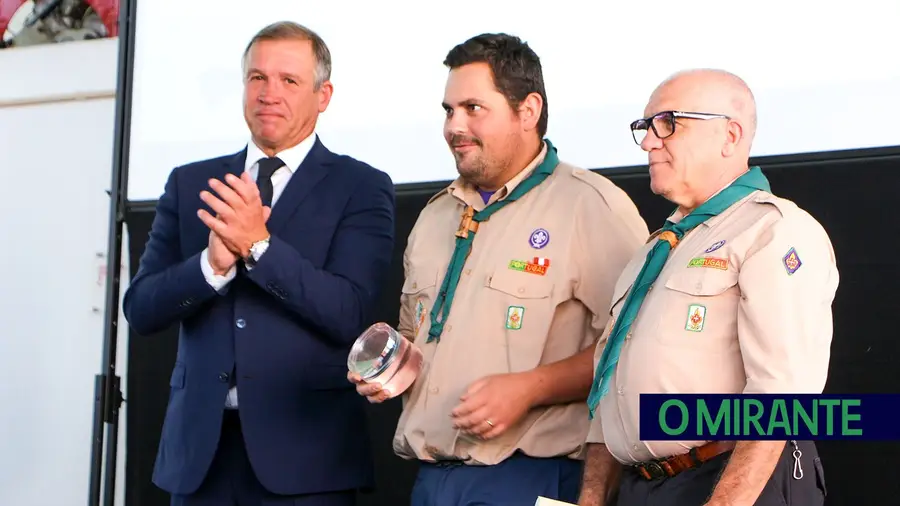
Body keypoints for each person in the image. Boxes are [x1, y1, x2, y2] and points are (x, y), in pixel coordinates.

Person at [349, 33, 649, 505]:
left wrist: (531, 388)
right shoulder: (435, 216)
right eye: (448, 110)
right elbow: (418, 330)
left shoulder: (591, 207)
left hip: (535, 476)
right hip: (432, 480)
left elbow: (633, 352)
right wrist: (392, 363)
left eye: (473, 108)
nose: (454, 126)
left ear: (527, 111)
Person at [123, 21, 395, 506]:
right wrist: (210, 267)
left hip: (307, 463)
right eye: (257, 78)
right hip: (199, 460)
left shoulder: (360, 186)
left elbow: (348, 312)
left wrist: (259, 247)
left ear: (323, 95)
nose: (269, 93)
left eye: (289, 80)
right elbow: (141, 308)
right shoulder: (190, 183)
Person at [577, 69, 838, 506]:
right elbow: (611, 392)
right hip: (642, 488)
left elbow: (782, 397)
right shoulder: (654, 251)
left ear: (729, 136)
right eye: (645, 127)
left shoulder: (775, 230)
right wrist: (591, 496)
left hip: (728, 481)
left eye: (668, 123)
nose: (648, 142)